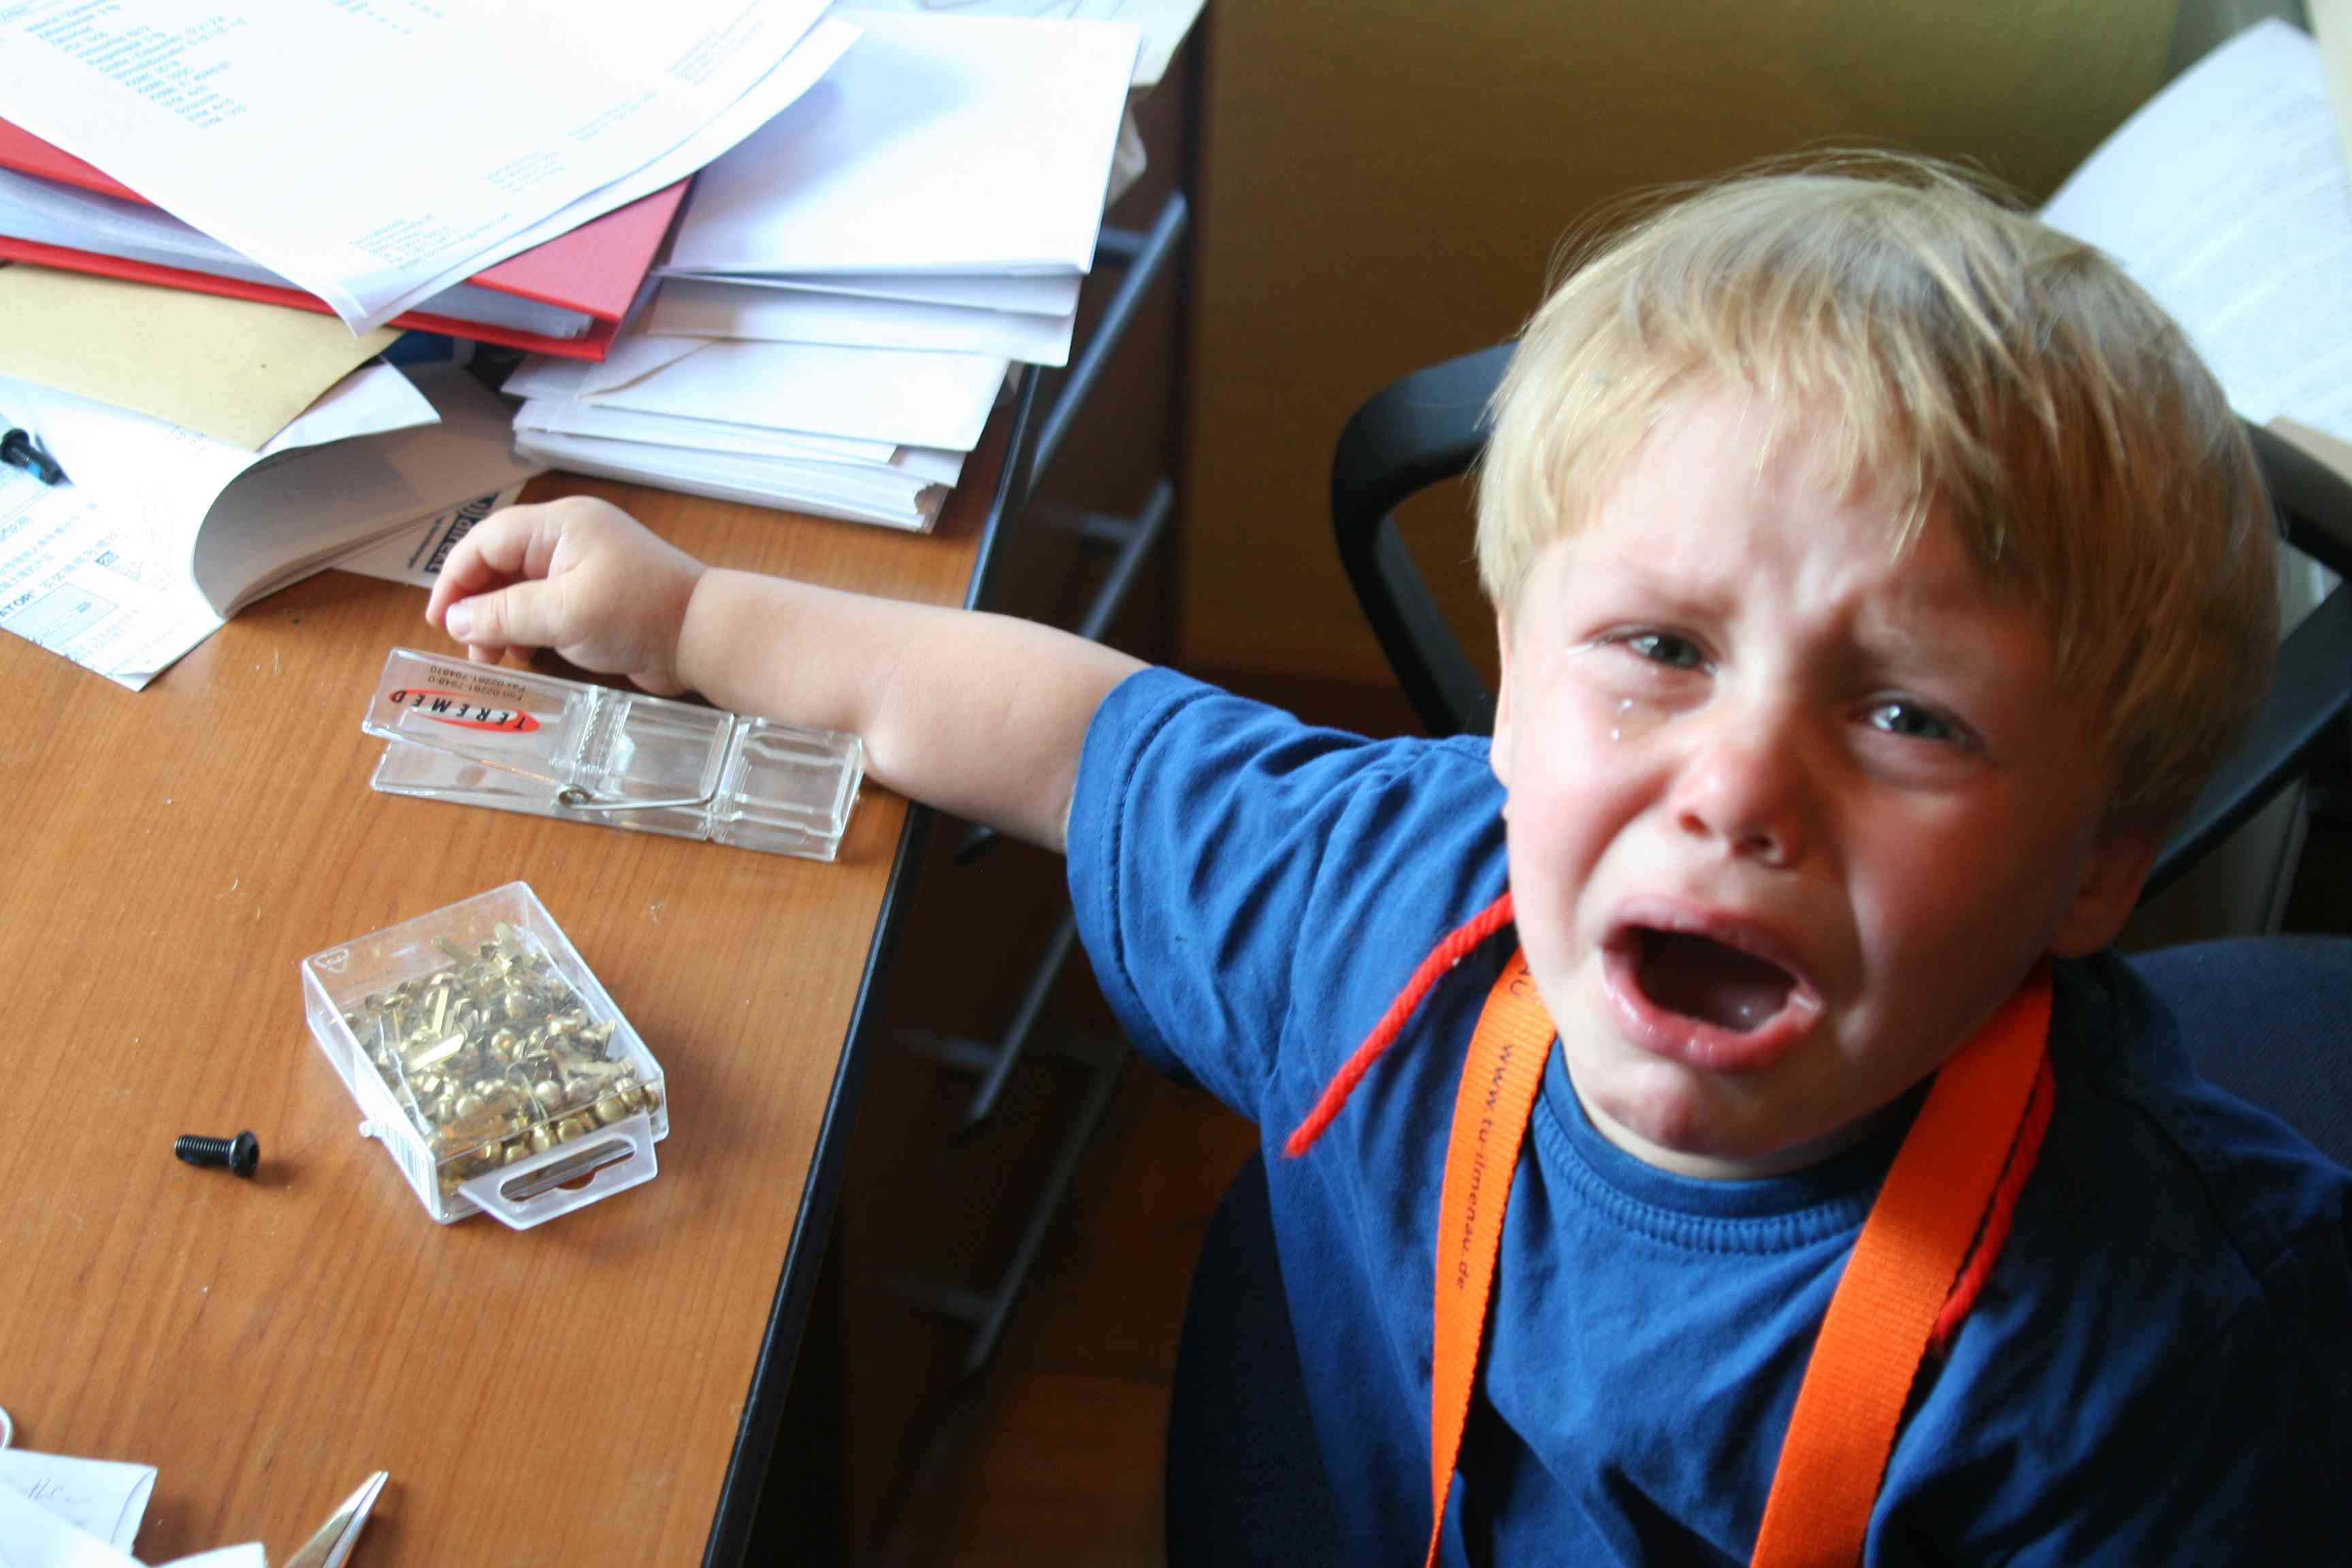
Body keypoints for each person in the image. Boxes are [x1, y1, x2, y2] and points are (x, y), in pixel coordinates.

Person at [427, 158, 2351, 1563]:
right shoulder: (1391, 903)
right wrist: (687, 619)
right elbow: (1068, 738)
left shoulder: (2159, 1372)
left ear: (2099, 869)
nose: (1737, 787)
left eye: (1910, 716)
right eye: (1660, 649)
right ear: (1507, 689)